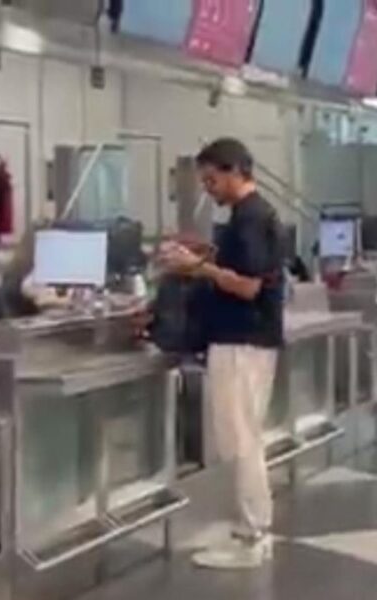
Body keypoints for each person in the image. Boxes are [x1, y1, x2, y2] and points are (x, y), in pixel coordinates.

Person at [159, 138, 284, 570]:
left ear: (234, 171)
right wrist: (206, 256)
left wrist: (195, 267)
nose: (208, 189)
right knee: (244, 438)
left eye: (212, 180)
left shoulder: (250, 218)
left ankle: (253, 535)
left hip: (240, 342)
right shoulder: (253, 217)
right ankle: (252, 529)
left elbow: (248, 285)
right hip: (248, 341)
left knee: (241, 441)